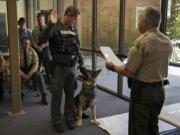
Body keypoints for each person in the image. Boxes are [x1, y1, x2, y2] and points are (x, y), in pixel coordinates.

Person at [106, 7, 173, 135]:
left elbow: (128, 71)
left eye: (139, 20)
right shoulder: (167, 42)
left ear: (144, 23)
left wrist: (113, 67)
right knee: (153, 125)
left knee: (138, 128)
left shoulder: (140, 42)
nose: (137, 23)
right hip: (159, 92)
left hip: (143, 94)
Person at [39, 6, 84, 133]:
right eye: (74, 19)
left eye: (76, 20)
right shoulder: (55, 26)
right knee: (57, 95)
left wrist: (81, 63)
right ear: (68, 15)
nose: (75, 22)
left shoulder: (73, 29)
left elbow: (77, 47)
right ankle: (56, 121)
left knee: (70, 94)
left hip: (72, 68)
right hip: (58, 69)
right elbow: (41, 39)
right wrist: (50, 24)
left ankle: (69, 118)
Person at [20, 37, 48, 105]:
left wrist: (30, 74)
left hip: (31, 70)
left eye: (28, 44)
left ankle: (44, 95)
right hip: (21, 70)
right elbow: (15, 66)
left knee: (39, 75)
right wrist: (23, 75)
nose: (26, 45)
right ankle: (19, 94)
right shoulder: (17, 51)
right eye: (24, 43)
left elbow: (36, 63)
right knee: (15, 77)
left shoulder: (32, 51)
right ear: (21, 44)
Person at [32, 13, 52, 85]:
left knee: (47, 66)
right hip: (37, 49)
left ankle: (49, 82)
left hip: (45, 49)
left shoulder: (48, 29)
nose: (39, 21)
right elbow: (33, 40)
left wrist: (42, 46)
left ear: (43, 19)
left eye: (41, 19)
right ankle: (35, 82)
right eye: (38, 20)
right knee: (36, 66)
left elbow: (50, 40)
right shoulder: (35, 29)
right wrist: (37, 47)